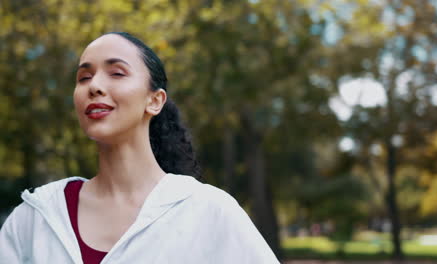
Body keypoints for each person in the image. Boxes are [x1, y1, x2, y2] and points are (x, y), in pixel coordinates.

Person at [0, 32, 279, 264]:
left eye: (117, 73)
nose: (94, 85)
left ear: (155, 101)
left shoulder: (209, 212)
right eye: (84, 77)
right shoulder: (35, 217)